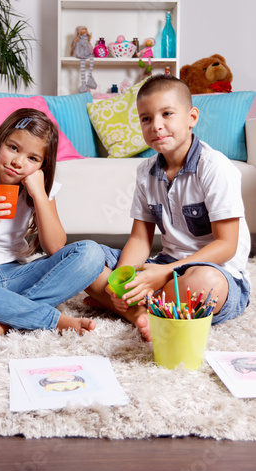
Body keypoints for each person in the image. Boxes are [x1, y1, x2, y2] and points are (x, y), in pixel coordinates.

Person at [85, 74, 251, 341]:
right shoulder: (145, 172)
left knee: (205, 284)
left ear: (191, 118)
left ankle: (134, 307)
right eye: (146, 118)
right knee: (86, 258)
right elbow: (140, 239)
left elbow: (226, 246)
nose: (156, 126)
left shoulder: (215, 167)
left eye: (167, 114)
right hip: (164, 266)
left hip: (213, 270)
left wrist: (163, 273)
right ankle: (140, 309)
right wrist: (120, 281)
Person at [0, 108, 105, 339]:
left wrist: (40, 195)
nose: (17, 162)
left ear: (43, 165)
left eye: (32, 158)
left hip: (18, 275)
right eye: (13, 148)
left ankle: (6, 319)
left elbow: (55, 247)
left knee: (91, 253)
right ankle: (50, 320)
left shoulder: (39, 192)